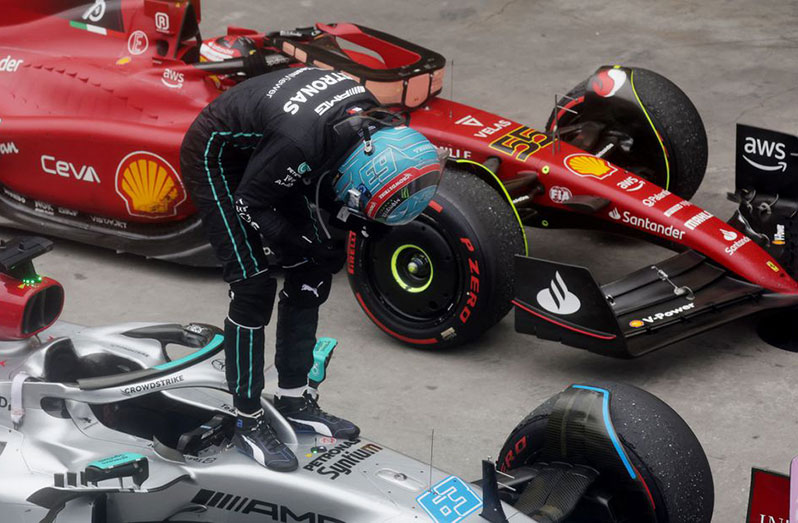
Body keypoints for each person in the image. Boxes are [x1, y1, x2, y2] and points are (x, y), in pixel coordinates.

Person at [180, 65, 445, 471]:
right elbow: (249, 204)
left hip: (275, 149)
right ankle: (247, 420)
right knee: (253, 284)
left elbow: (335, 199)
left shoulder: (371, 119)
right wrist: (301, 240)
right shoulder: (302, 144)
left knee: (312, 270)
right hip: (218, 156)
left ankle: (293, 397)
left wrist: (324, 244)